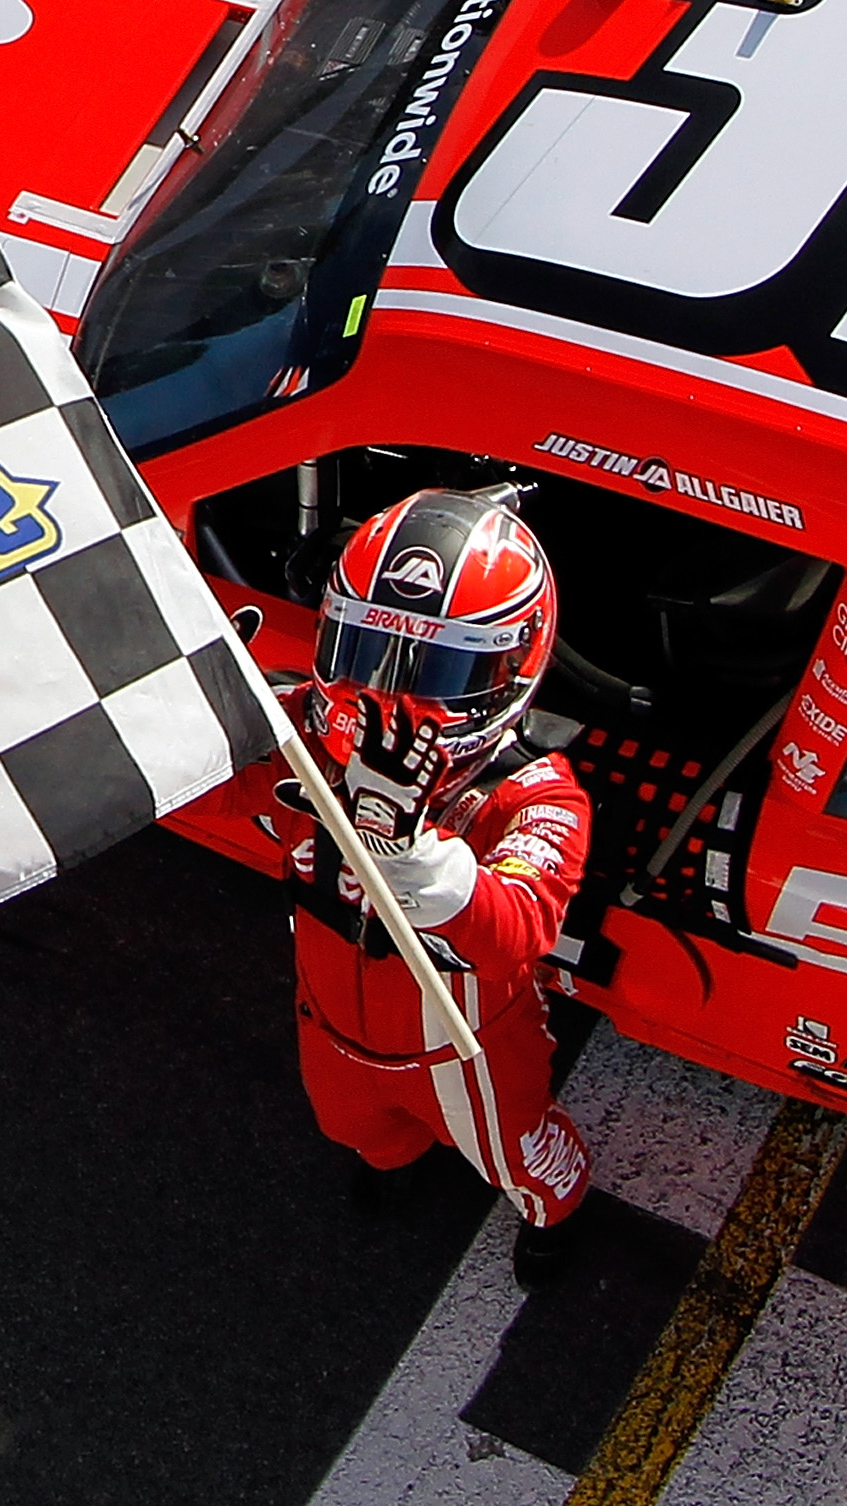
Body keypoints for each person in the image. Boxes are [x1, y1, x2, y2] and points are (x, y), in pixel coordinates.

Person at [276, 485, 595, 1285]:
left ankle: (554, 1220)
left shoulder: (540, 795)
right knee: (349, 1124)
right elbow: (205, 759)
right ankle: (393, 1155)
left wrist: (410, 849)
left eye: (438, 669)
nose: (390, 698)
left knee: (524, 1162)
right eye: (367, 654)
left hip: (465, 1052)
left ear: (511, 668)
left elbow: (518, 929)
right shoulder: (298, 729)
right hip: (329, 1022)